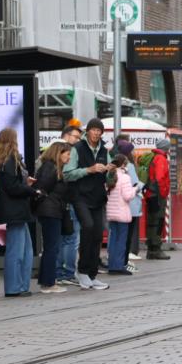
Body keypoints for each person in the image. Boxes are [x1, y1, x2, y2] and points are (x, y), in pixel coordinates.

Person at [63, 118, 112, 290]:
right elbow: (67, 174)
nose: (96, 133)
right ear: (88, 131)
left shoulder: (105, 151)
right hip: (80, 197)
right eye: (94, 130)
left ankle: (92, 274)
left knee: (98, 234)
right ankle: (82, 271)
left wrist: (112, 172)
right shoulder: (77, 149)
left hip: (98, 197)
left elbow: (109, 179)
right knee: (88, 227)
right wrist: (89, 170)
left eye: (99, 131)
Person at [0, 128, 37, 297]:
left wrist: (26, 183)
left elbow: (11, 184)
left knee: (25, 250)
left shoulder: (2, 159)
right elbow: (12, 187)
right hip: (15, 211)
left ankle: (22, 286)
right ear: (12, 140)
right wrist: (31, 191)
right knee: (17, 251)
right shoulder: (10, 160)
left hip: (15, 210)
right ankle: (13, 288)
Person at [34, 142, 70, 293]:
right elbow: (41, 189)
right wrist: (45, 205)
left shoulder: (52, 167)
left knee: (51, 247)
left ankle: (46, 280)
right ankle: (49, 283)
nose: (69, 157)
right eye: (67, 153)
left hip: (51, 210)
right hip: (50, 211)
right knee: (51, 247)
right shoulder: (50, 168)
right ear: (59, 153)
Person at [55, 124, 83, 285]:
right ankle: (66, 273)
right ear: (66, 135)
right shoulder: (62, 150)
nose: (77, 140)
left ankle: (60, 271)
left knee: (62, 239)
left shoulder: (54, 148)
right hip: (67, 200)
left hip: (61, 201)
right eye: (76, 137)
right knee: (71, 239)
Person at [114, 139, 142, 269]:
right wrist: (141, 186)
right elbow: (135, 184)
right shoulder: (129, 166)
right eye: (132, 150)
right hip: (131, 205)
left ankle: (118, 261)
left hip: (118, 206)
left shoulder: (114, 165)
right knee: (126, 236)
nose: (134, 152)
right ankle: (123, 262)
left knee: (117, 235)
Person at [105, 154, 135, 276]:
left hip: (111, 213)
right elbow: (127, 196)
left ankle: (111, 265)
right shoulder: (124, 177)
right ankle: (118, 266)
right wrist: (135, 189)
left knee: (112, 240)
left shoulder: (109, 175)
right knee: (121, 241)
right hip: (122, 213)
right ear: (123, 164)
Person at [144, 139, 172, 260]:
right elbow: (160, 178)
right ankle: (156, 249)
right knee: (158, 222)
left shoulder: (154, 157)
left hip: (151, 193)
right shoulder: (161, 158)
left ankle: (151, 249)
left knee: (152, 222)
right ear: (166, 148)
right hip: (157, 195)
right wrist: (164, 192)